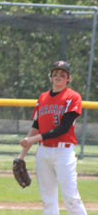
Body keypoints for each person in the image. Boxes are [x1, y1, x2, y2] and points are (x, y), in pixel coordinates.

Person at [17, 60, 87, 215]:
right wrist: (22, 156)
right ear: (50, 77)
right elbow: (35, 127)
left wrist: (34, 140)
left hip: (63, 152)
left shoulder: (73, 97)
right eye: (55, 73)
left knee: (71, 198)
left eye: (63, 74)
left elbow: (63, 128)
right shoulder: (42, 98)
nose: (58, 76)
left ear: (68, 78)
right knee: (48, 199)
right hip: (43, 152)